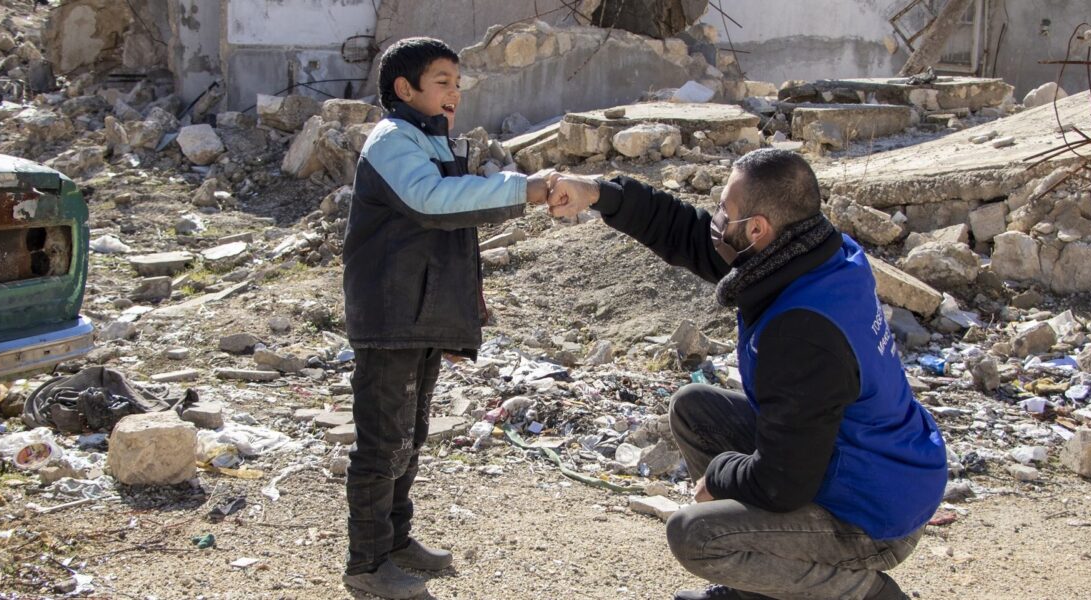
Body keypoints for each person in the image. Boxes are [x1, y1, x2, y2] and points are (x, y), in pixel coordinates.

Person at [547, 149, 947, 600]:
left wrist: (719, 477)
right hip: (866, 460)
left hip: (876, 514)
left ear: (756, 229)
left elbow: (783, 483)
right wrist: (599, 194)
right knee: (695, 410)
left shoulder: (801, 332)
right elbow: (687, 233)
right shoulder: (810, 251)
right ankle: (759, 585)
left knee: (696, 535)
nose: (715, 219)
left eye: (724, 210)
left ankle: (865, 593)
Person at [341, 37, 553, 599]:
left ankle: (396, 541)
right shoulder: (392, 141)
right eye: (442, 82)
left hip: (421, 310)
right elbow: (431, 202)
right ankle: (366, 564)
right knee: (382, 441)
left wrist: (467, 301)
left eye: (458, 83)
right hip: (392, 315)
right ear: (404, 90)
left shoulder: (431, 140)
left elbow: (448, 235)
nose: (454, 93)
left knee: (409, 435)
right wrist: (522, 190)